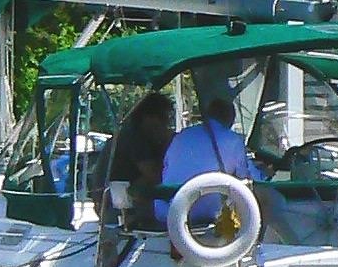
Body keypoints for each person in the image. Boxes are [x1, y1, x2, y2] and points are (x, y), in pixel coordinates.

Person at [157, 86, 260, 229]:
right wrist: (264, 174)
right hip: (209, 212)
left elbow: (166, 170)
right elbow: (246, 177)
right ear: (230, 120)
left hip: (169, 211)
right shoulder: (233, 139)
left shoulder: (181, 136)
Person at [104, 92, 177, 230]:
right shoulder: (135, 137)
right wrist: (169, 144)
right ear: (147, 116)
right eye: (163, 117)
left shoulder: (129, 132)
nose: (166, 123)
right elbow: (154, 175)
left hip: (112, 201)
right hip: (119, 207)